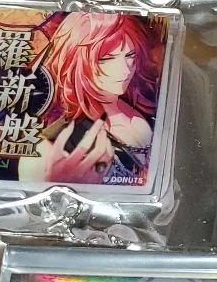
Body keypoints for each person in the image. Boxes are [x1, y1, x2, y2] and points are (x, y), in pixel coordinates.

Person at [18, 13, 162, 187]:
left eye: (130, 55)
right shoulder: (44, 151)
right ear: (74, 59)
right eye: (106, 58)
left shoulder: (141, 100)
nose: (125, 70)